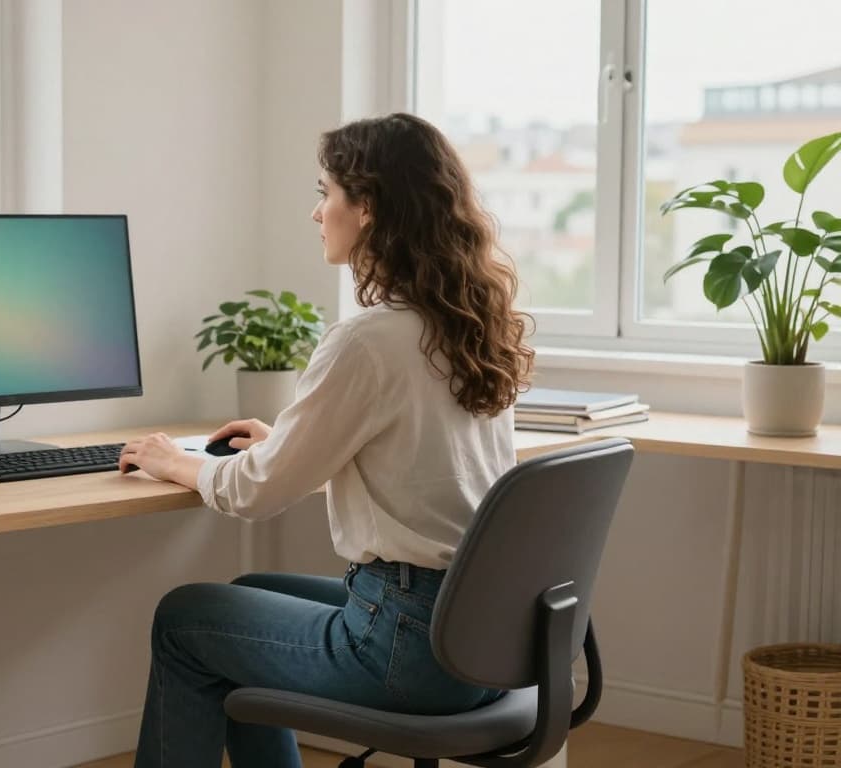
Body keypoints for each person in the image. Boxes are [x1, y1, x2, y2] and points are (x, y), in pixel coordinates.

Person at [116, 112, 535, 768]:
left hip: (408, 647)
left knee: (184, 618)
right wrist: (290, 442)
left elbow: (255, 493)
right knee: (249, 589)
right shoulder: (467, 327)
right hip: (482, 641)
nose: (317, 213)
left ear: (367, 207)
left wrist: (174, 462)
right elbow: (413, 459)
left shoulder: (367, 339)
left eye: (326, 193)